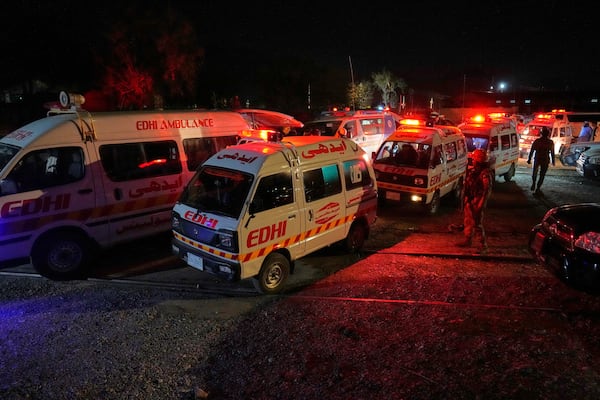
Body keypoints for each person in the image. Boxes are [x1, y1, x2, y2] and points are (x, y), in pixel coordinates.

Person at [456, 149, 492, 252]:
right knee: (468, 221)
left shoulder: (485, 173)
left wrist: (481, 204)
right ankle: (468, 240)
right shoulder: (474, 171)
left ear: (479, 160)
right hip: (470, 200)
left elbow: (486, 191)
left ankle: (483, 245)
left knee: (477, 224)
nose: (473, 161)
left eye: (474, 159)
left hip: (477, 201)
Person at [527, 126, 555, 194]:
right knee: (542, 174)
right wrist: (553, 161)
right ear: (548, 134)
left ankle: (534, 184)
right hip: (545, 159)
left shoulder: (537, 141)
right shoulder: (550, 142)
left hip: (537, 157)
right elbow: (552, 152)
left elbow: (532, 150)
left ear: (541, 133)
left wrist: (529, 159)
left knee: (534, 172)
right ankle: (538, 188)